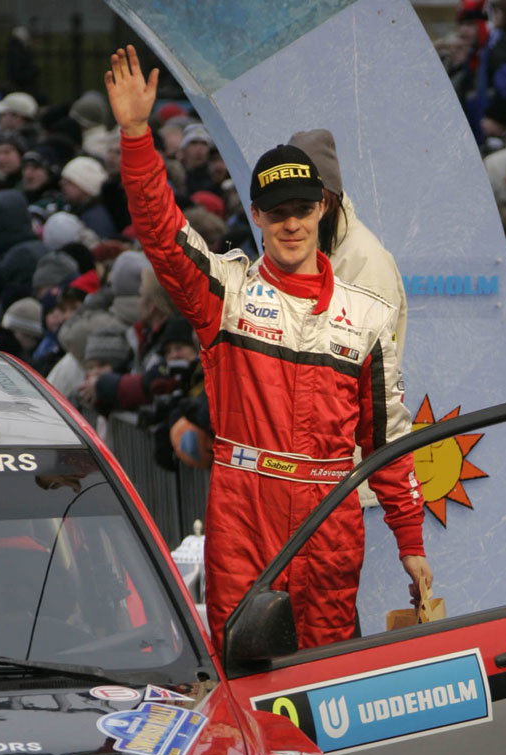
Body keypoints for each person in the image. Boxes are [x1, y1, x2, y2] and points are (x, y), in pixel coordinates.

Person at [104, 45, 431, 653]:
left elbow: (387, 442)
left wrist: (410, 544)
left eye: (302, 210)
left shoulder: (367, 315)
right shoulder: (227, 294)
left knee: (327, 671)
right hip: (243, 509)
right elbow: (162, 231)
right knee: (246, 666)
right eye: (277, 213)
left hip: (327, 514)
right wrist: (135, 136)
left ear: (322, 208)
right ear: (256, 216)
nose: (291, 225)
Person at [287, 129, 407, 356]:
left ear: (327, 198)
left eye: (304, 203)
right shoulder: (297, 246)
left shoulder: (364, 259)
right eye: (284, 203)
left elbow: (370, 361)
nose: (292, 219)